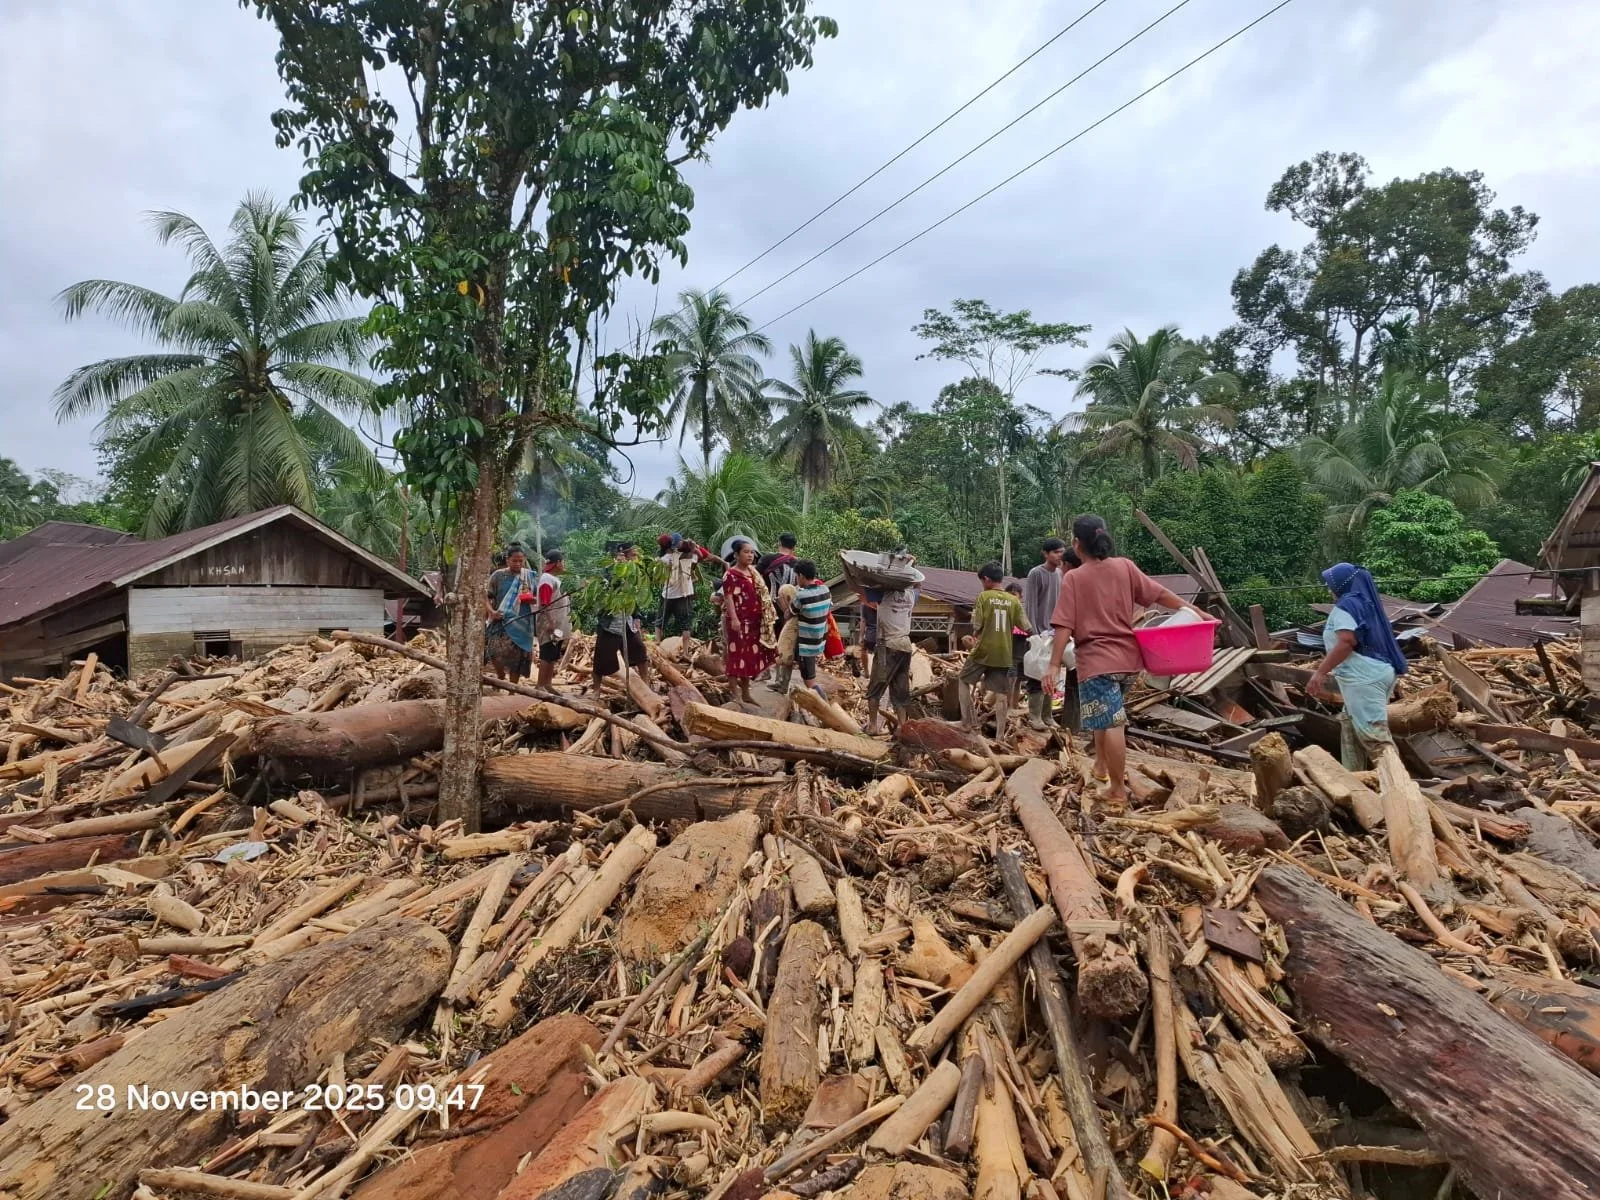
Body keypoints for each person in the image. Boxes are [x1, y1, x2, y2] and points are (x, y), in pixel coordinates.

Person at [1045, 515, 1207, 803]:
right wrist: (1197, 613)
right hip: (1130, 661)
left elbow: (1063, 625)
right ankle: (1101, 766)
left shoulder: (1074, 577)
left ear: (1076, 543)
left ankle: (1118, 790)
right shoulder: (1125, 567)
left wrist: (1053, 665)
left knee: (1113, 723)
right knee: (1104, 717)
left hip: (1097, 662)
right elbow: (1160, 594)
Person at [1307, 562, 1409, 769]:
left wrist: (1320, 673)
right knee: (1350, 724)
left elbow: (1347, 641)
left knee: (1374, 737)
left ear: (1340, 585)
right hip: (1375, 672)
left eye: (1330, 584)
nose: (1328, 590)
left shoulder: (1347, 605)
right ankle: (1355, 779)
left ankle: (1400, 788)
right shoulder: (1365, 603)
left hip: (1363, 678)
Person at [958, 562, 1030, 740]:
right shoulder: (1014, 601)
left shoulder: (984, 597)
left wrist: (974, 634)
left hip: (983, 650)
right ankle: (1000, 736)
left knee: (963, 680)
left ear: (987, 579)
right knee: (1001, 694)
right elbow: (1027, 627)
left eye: (982, 580)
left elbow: (977, 625)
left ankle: (966, 722)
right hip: (1004, 653)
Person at [1023, 538, 1073, 730]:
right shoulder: (1036, 573)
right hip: (1040, 632)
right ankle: (1034, 716)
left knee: (1052, 673)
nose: (1059, 556)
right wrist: (1034, 633)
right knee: (1037, 673)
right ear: (1045, 553)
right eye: (1056, 552)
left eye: (1062, 552)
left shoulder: (1061, 574)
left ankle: (1047, 714)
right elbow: (1031, 605)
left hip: (1056, 631)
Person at [718, 538, 776, 703]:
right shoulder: (730, 574)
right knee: (736, 656)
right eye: (746, 552)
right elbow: (728, 598)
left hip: (754, 621)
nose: (750, 555)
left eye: (752, 552)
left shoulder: (753, 573)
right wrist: (734, 619)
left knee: (749, 657)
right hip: (738, 622)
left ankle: (746, 693)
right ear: (736, 554)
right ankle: (735, 695)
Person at [866, 571, 918, 735]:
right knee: (900, 690)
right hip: (905, 645)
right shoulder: (911, 595)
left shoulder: (883, 593)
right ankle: (903, 727)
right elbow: (917, 585)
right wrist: (912, 567)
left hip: (888, 645)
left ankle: (873, 726)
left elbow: (859, 588)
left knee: (875, 688)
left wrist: (847, 568)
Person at [593, 542, 650, 690]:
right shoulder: (609, 571)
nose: (635, 558)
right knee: (601, 658)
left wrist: (637, 617)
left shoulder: (634, 572)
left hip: (627, 620)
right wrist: (618, 571)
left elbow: (634, 597)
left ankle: (646, 684)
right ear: (623, 555)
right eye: (633, 555)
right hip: (610, 622)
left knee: (639, 651)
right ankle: (596, 690)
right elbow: (605, 590)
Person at [484, 543, 534, 680]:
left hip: (522, 621)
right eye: (514, 561)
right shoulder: (498, 576)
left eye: (521, 561)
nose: (518, 564)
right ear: (507, 560)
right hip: (501, 620)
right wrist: (492, 612)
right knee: (494, 652)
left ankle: (513, 689)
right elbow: (486, 597)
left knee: (517, 659)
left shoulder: (528, 577)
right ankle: (500, 676)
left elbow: (536, 599)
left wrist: (531, 600)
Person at [790, 561, 833, 692]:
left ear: (801, 576)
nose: (797, 580)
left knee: (810, 681)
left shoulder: (801, 595)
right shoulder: (825, 590)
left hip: (806, 644)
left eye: (797, 576)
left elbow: (791, 612)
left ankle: (822, 706)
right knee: (809, 672)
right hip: (819, 639)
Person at [533, 549, 571, 689]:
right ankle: (540, 685)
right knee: (547, 654)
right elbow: (544, 602)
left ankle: (547, 684)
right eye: (562, 561)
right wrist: (550, 622)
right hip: (551, 624)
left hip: (558, 624)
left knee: (553, 655)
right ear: (558, 563)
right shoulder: (547, 579)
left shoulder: (554, 579)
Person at [657, 533, 700, 639]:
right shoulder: (687, 556)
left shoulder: (663, 559)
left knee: (660, 622)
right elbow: (695, 561)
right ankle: (685, 652)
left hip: (668, 594)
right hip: (684, 594)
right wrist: (693, 548)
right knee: (686, 625)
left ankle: (657, 643)